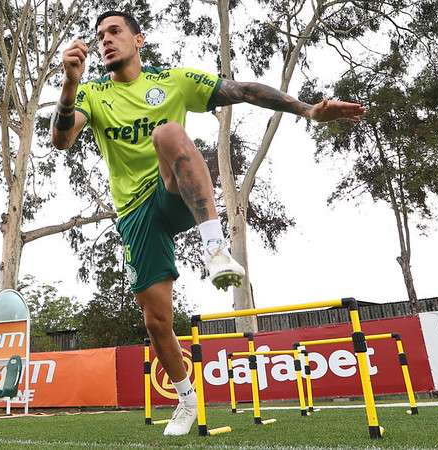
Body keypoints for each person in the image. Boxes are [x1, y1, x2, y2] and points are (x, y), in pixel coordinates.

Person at [51, 11, 365, 435]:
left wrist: (307, 109)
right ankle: (185, 397)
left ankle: (216, 249)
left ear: (138, 40)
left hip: (173, 190)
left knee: (168, 134)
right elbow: (62, 139)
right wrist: (70, 84)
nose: (106, 40)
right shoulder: (92, 93)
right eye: (100, 36)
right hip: (135, 215)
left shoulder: (174, 80)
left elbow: (247, 90)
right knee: (156, 320)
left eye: (115, 32)